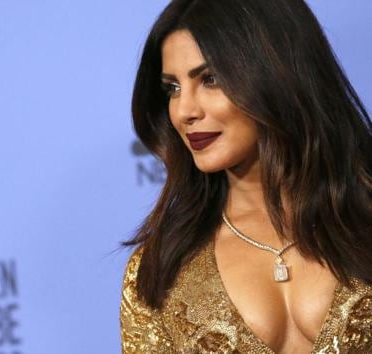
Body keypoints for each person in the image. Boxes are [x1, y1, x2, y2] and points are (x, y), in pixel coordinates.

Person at [120, 0, 372, 353]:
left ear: (276, 73)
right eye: (172, 88)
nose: (185, 111)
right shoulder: (161, 268)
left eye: (210, 79)